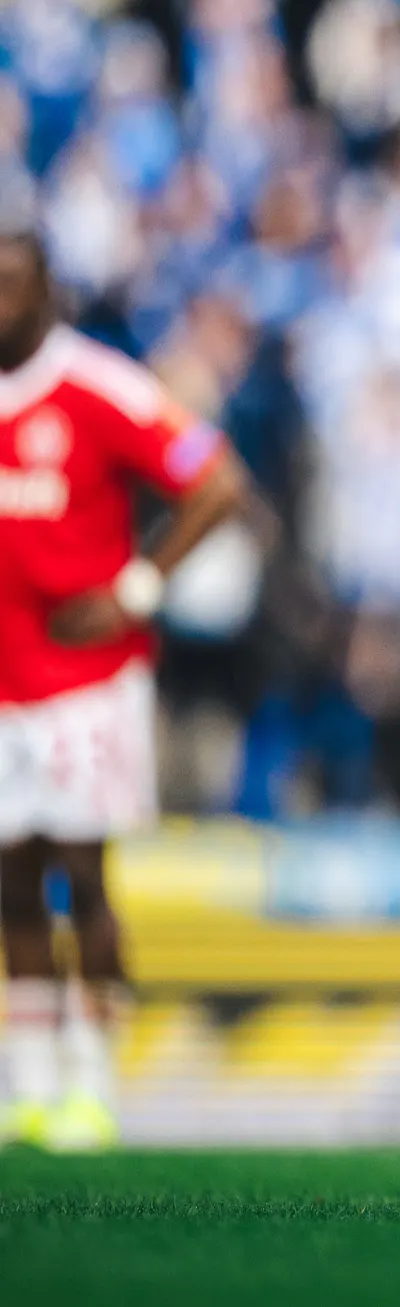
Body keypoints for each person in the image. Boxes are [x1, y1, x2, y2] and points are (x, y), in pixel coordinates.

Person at [0, 209, 251, 1150]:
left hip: (84, 679)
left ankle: (92, 1088)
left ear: (46, 291)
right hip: (5, 679)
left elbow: (217, 480)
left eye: (10, 284)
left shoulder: (96, 385)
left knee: (82, 875)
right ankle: (28, 1085)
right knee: (12, 884)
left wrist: (137, 587)